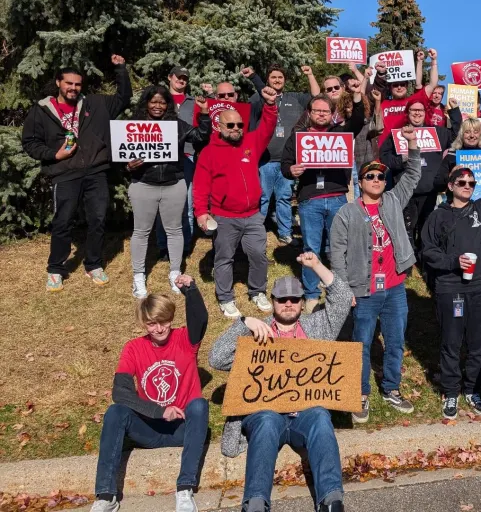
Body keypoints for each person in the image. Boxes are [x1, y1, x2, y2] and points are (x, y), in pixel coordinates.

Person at [208, 257, 353, 512]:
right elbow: (216, 358)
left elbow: (342, 299)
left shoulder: (317, 326)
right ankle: (255, 503)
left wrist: (317, 266)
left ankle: (331, 500)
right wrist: (244, 324)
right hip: (267, 415)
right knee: (265, 420)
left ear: (301, 302)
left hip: (304, 416)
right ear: (272, 301)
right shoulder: (257, 330)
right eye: (281, 299)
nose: (288, 304)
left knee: (320, 416)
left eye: (295, 299)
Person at [90, 274, 209, 512]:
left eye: (163, 321)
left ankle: (184, 490)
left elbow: (200, 319)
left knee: (199, 405)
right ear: (144, 324)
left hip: (183, 428)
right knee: (115, 412)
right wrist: (159, 411)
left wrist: (191, 291)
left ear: (170, 319)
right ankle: (106, 496)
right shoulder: (133, 348)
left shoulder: (184, 339)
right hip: (149, 427)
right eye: (152, 323)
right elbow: (120, 392)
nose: (159, 328)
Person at [330, 127, 421, 423]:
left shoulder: (393, 201)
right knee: (362, 343)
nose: (377, 180)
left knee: (395, 341)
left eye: (381, 176)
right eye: (370, 176)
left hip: (394, 287)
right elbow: (336, 255)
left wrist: (412, 146)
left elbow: (412, 175)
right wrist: (345, 292)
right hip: (363, 290)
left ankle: (391, 388)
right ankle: (361, 393)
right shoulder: (347, 213)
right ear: (360, 181)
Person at [22, 55, 132, 292]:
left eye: (77, 84)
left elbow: (123, 99)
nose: (73, 88)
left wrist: (121, 69)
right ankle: (55, 268)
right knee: (63, 221)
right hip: (64, 173)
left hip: (96, 172)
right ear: (58, 83)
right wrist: (54, 155)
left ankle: (93, 264)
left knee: (98, 219)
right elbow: (30, 142)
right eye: (68, 83)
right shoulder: (42, 111)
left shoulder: (96, 104)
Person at [422, 155, 481, 420]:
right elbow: (427, 251)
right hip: (451, 288)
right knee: (451, 342)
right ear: (450, 186)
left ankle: (473, 389)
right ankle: (451, 391)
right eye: (461, 182)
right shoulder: (438, 216)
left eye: (471, 183)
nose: (467, 186)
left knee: (477, 343)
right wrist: (453, 261)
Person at [192, 86, 279, 317]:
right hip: (224, 216)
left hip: (252, 215)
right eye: (230, 125)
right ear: (219, 127)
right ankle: (225, 298)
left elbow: (268, 128)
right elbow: (200, 187)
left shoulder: (251, 142)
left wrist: (270, 105)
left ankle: (257, 291)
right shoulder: (209, 152)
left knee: (259, 255)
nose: (236, 129)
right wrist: (201, 212)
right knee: (224, 258)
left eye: (239, 125)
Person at [281, 91, 366, 314]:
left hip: (337, 197)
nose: (321, 114)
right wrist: (292, 170)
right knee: (311, 249)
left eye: (325, 111)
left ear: (332, 114)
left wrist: (357, 95)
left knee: (339, 249)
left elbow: (358, 119)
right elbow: (285, 164)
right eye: (317, 110)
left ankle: (341, 291)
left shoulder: (341, 133)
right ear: (309, 113)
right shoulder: (298, 135)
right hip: (310, 200)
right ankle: (311, 295)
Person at [125, 87, 211, 298]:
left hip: (173, 184)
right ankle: (138, 276)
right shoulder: (134, 127)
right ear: (146, 103)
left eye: (162, 102)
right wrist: (127, 166)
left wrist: (205, 113)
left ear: (168, 105)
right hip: (143, 184)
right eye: (153, 102)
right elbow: (119, 154)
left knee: (174, 230)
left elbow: (200, 136)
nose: (157, 106)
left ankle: (175, 273)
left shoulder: (177, 126)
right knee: (141, 232)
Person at [380, 98, 462, 263]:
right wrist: (401, 160)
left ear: (426, 113)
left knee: (427, 226)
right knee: (407, 227)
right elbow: (384, 157)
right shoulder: (398, 133)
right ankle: (409, 261)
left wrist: (455, 112)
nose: (417, 113)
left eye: (420, 110)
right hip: (407, 191)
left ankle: (424, 259)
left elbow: (456, 134)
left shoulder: (437, 132)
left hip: (430, 190)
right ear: (408, 113)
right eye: (413, 110)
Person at [243, 64, 315, 246]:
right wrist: (254, 78)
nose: (277, 80)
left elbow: (316, 96)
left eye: (280, 77)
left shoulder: (295, 98)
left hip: (287, 161)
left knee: (284, 198)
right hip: (265, 160)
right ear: (267, 80)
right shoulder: (257, 98)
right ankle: (256, 233)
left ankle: (285, 233)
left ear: (285, 80)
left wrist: (310, 75)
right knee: (263, 197)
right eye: (273, 77)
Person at [156, 66, 204, 262]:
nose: (181, 81)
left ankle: (184, 246)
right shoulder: (159, 100)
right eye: (178, 77)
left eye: (185, 78)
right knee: (162, 204)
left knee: (187, 202)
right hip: (161, 157)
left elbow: (200, 129)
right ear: (170, 77)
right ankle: (163, 246)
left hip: (187, 156)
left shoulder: (193, 102)